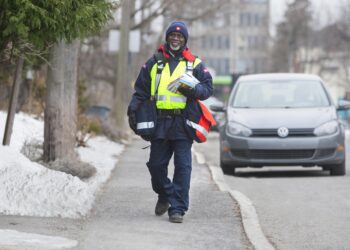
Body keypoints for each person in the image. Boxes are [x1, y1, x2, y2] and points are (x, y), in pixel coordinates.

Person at [127, 21, 213, 223]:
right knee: (156, 166)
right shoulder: (154, 62)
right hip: (160, 122)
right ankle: (165, 194)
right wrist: (132, 109)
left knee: (183, 167)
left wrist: (191, 90)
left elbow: (207, 90)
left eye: (180, 36)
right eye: (172, 36)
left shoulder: (195, 64)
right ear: (167, 38)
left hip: (184, 123)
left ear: (185, 40)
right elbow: (140, 91)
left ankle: (178, 209)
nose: (176, 39)